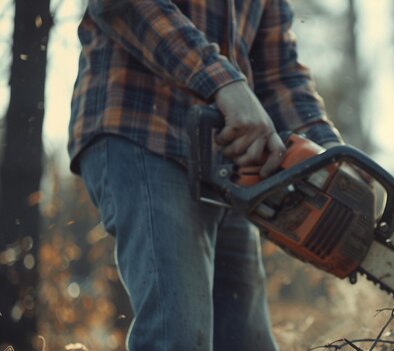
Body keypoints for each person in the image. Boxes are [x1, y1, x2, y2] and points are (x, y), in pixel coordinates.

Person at [68, 0, 343, 350]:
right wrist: (225, 83)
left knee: (247, 341)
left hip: (224, 162)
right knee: (178, 336)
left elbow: (280, 75)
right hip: (143, 126)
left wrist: (332, 159)